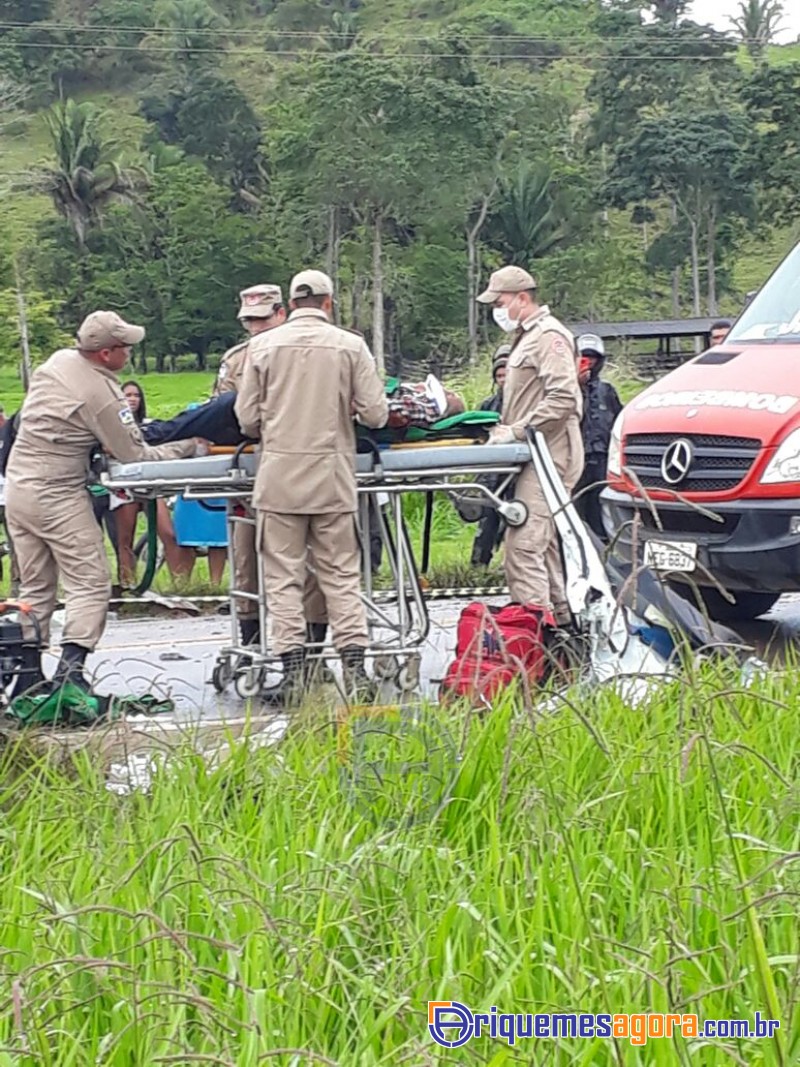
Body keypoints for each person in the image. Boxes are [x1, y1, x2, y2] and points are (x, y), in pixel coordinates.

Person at [5, 311, 198, 695]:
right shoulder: (101, 393)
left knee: (36, 586)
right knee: (90, 583)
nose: (129, 354)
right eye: (125, 347)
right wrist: (186, 447)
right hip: (57, 491)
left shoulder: (58, 362)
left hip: (18, 487)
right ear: (107, 353)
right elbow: (134, 455)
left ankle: (25, 676)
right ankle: (70, 674)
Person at [235, 269, 389, 704]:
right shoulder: (350, 346)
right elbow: (376, 414)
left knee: (282, 577)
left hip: (279, 478)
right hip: (332, 476)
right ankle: (356, 668)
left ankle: (291, 672)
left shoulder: (261, 347)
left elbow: (246, 418)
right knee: (341, 575)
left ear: (290, 303)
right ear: (328, 302)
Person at [477, 266, 584, 624]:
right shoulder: (525, 337)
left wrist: (518, 430)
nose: (497, 309)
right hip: (532, 451)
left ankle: (532, 634)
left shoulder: (549, 336)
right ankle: (564, 629)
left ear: (522, 298)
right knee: (545, 547)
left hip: (550, 450)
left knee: (523, 546)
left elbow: (563, 397)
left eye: (501, 301)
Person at [113, 380, 196, 588]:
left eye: (135, 395)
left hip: (151, 484)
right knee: (125, 540)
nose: (132, 399)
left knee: (168, 534)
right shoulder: (114, 427)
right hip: (125, 486)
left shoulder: (152, 424)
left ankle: (180, 585)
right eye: (127, 395)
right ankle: (128, 585)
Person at [573, 333, 623, 543]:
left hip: (601, 458)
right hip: (576, 458)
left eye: (593, 357)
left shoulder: (607, 391)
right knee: (576, 506)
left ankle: (605, 547)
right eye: (585, 356)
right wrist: (578, 386)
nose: (589, 361)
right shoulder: (567, 390)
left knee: (601, 507)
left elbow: (619, 421)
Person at [470, 344, 510, 566]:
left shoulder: (524, 404)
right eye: (499, 375)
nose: (503, 379)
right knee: (487, 522)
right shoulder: (487, 406)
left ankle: (510, 564)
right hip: (492, 472)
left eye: (507, 374)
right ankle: (478, 565)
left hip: (516, 470)